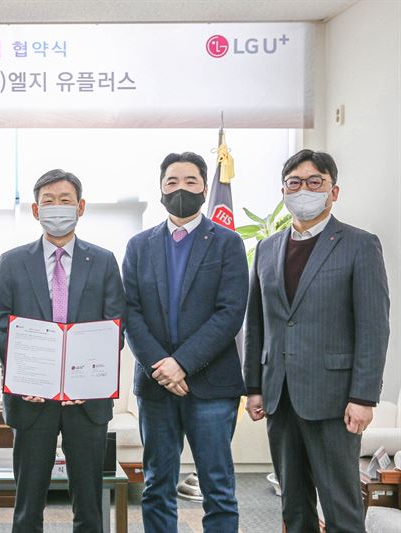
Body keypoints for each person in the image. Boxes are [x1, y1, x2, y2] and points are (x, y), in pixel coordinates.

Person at [245, 149, 390, 532]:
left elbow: (373, 327)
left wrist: (363, 397)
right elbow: (257, 323)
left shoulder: (360, 244)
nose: (304, 190)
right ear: (283, 191)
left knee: (341, 509)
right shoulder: (267, 248)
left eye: (315, 182)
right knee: (293, 507)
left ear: (333, 191)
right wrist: (254, 387)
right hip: (280, 396)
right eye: (294, 183)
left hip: (335, 400)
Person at [0, 169, 125, 533]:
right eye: (48, 201)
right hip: (31, 399)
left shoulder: (104, 261)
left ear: (81, 207)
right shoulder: (13, 261)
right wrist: (24, 372)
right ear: (36, 210)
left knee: (89, 504)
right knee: (28, 503)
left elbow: (115, 327)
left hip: (87, 400)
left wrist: (88, 379)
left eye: (65, 200)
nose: (57, 207)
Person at [122, 152, 248, 532]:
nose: (181, 189)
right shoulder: (139, 245)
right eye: (172, 181)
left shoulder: (227, 243)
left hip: (212, 385)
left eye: (191, 181)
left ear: (205, 188)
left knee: (217, 487)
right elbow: (130, 313)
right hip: (157, 385)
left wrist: (182, 363)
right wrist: (162, 366)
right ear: (161, 189)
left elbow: (230, 313)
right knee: (157, 485)